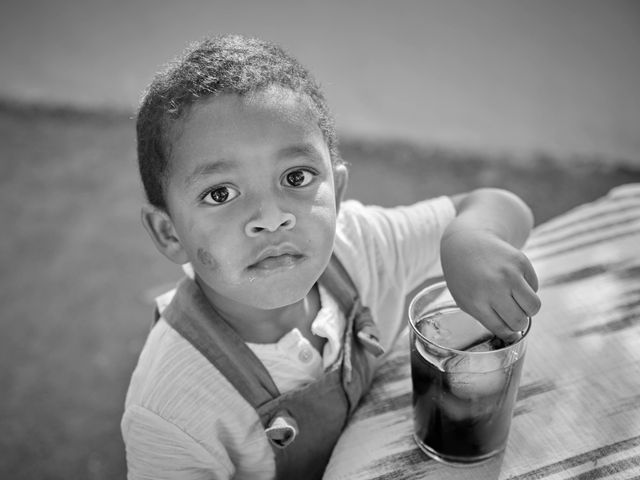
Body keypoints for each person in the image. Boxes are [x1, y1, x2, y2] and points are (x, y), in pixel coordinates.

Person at [121, 34, 541, 479]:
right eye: (220, 193)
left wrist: (468, 239)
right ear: (169, 233)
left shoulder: (358, 245)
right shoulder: (169, 407)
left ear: (337, 192)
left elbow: (501, 205)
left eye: (296, 176)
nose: (271, 217)